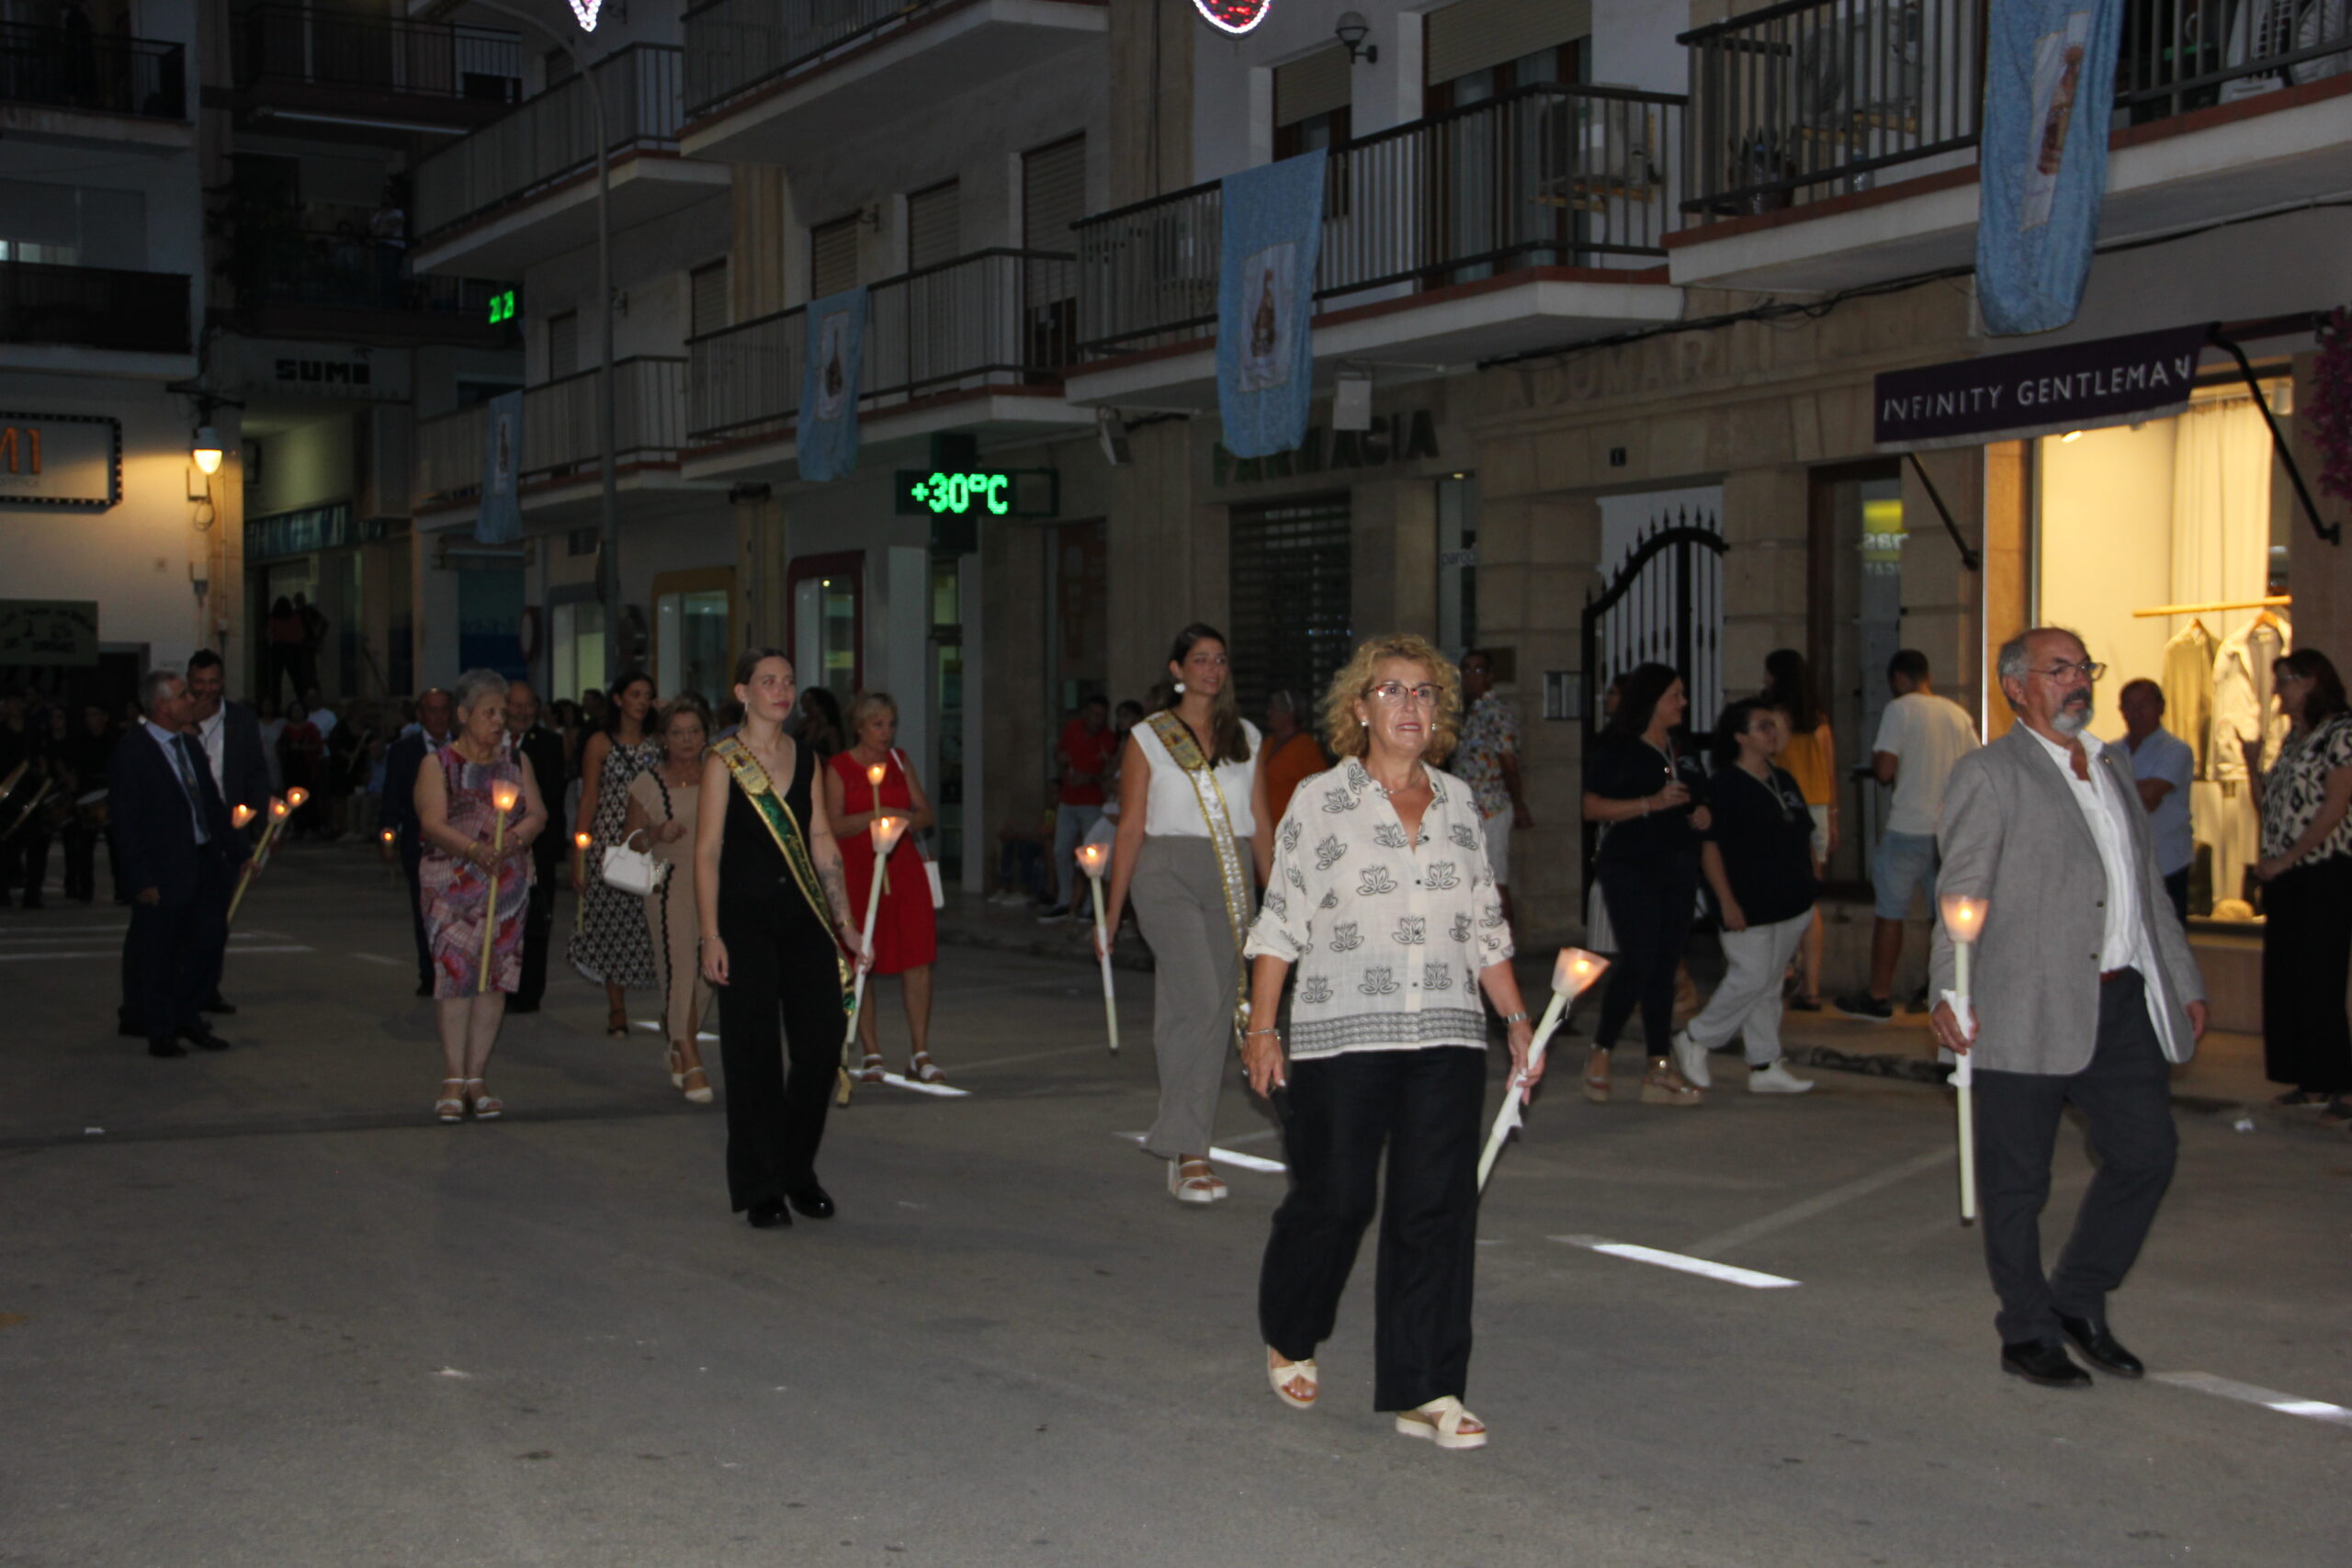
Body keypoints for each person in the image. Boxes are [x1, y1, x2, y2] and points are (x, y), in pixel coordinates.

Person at [1243, 633, 1537, 1450]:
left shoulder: (1457, 803)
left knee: (1437, 1209)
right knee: (1337, 1198)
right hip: (1341, 1034)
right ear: (1361, 707)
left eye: (1424, 693)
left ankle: (1426, 1386)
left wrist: (1516, 1021)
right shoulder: (1319, 800)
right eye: (1393, 690)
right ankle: (1293, 1324)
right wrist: (1263, 1026)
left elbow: (1484, 925)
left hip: (1445, 1031)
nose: (1410, 705)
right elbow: (1281, 919)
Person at [1930, 627, 2206, 1389]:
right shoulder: (1991, 774)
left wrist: (2182, 977)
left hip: (2118, 999)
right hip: (2021, 1001)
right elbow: (1959, 893)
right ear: (2017, 688)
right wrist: (1948, 991)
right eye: (2061, 671)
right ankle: (2025, 1326)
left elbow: (2146, 882)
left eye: (2085, 668)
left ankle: (2079, 1297)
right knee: (2018, 1181)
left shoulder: (2113, 762)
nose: (2078, 682)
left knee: (2147, 1153)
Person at [1096, 625, 1273, 1201]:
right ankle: (1190, 1148)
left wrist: (1281, 902)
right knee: (1199, 997)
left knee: (1204, 1008)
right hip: (1164, 869)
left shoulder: (1246, 735)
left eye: (1220, 660)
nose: (1212, 670)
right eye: (1200, 660)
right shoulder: (1149, 737)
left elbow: (1262, 823)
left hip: (1231, 873)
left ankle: (1183, 1149)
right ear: (1177, 669)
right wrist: (1111, 912)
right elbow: (1129, 825)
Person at [697, 649, 865, 1229]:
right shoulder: (724, 761)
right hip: (743, 922)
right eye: (767, 681)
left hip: (804, 919)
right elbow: (708, 851)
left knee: (820, 1048)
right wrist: (710, 934)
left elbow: (821, 837)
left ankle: (797, 1168)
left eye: (788, 681)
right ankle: (760, 1183)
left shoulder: (810, 759)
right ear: (743, 692)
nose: (781, 690)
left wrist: (844, 920)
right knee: (753, 1057)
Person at [415, 669, 548, 1122]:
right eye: (490, 712)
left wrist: (512, 842)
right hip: (452, 884)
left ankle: (478, 1077)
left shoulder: (516, 761)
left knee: (496, 976)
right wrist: (474, 850)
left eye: (504, 712)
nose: (499, 720)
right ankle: (453, 1076)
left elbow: (537, 814)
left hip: (505, 884)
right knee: (456, 975)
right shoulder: (438, 764)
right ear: (464, 714)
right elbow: (433, 822)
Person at [1579, 663, 1710, 1106]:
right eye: (1676, 695)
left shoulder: (1681, 746)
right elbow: (1592, 807)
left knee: (1666, 963)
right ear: (1653, 699)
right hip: (1631, 864)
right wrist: (1649, 804)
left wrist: (1704, 812)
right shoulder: (1617, 747)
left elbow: (1701, 792)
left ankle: (1658, 1066)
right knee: (1638, 959)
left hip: (1678, 863)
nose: (1683, 703)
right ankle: (1602, 1050)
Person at [1674, 700, 1817, 1096]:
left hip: (1790, 899)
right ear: (1740, 737)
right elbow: (1711, 848)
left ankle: (1765, 1062)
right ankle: (1696, 1037)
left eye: (1772, 725)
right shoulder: (1725, 786)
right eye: (1761, 727)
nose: (1771, 733)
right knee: (1750, 977)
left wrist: (1811, 879)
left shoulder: (1783, 778)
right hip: (1748, 901)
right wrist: (1726, 901)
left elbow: (1801, 830)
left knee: (1769, 983)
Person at [109, 669, 247, 1058]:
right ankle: (160, 1029)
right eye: (184, 695)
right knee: (160, 952)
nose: (193, 700)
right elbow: (126, 822)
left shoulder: (188, 747)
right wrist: (139, 877)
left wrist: (238, 854)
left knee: (208, 942)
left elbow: (213, 808)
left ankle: (189, 1016)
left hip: (203, 864)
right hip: (163, 870)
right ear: (162, 706)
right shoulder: (134, 752)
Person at [1838, 649, 1977, 1021]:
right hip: (1946, 831)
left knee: (1890, 913)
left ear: (1898, 678)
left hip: (1908, 826)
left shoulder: (1899, 710)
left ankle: (1879, 994)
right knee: (1944, 918)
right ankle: (1938, 990)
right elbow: (1975, 768)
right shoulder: (1957, 714)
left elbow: (1884, 769)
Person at [2243, 649, 2352, 1116]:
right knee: (2287, 977)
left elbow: (2335, 807)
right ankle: (2307, 1081)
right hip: (2285, 871)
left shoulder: (2341, 732)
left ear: (2309, 682)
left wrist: (2288, 857)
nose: (2277, 691)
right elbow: (2270, 805)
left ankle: (2340, 1085)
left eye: (2284, 680)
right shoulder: (2294, 738)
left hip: (2323, 870)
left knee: (2319, 978)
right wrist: (2252, 764)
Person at [825, 691, 945, 1084]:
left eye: (890, 724)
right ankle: (872, 1051)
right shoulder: (839, 768)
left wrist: (901, 819)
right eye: (878, 724)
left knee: (917, 957)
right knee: (862, 959)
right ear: (859, 727)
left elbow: (924, 813)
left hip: (903, 868)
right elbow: (833, 824)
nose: (886, 732)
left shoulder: (899, 761)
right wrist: (876, 817)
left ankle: (921, 1051)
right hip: (859, 871)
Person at [621, 694, 718, 1103]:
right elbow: (629, 843)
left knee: (709, 973)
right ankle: (691, 1055)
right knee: (678, 965)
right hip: (667, 879)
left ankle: (677, 1035)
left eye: (694, 731)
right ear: (663, 738)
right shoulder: (648, 783)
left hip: (713, 882)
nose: (687, 740)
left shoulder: (719, 775)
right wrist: (658, 833)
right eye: (677, 732)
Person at [571, 670, 662, 1034]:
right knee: (612, 923)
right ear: (619, 699)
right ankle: (617, 1007)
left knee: (652, 919)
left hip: (650, 836)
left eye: (647, 695)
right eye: (635, 694)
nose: (641, 701)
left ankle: (667, 998)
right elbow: (589, 797)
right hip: (609, 836)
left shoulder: (658, 743)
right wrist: (579, 851)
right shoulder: (600, 743)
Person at [183, 649, 269, 1014]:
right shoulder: (179, 718)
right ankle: (182, 986)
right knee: (184, 914)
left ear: (222, 682)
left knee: (220, 914)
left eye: (212, 683)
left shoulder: (241, 720)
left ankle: (207, 987)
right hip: (186, 829)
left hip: (228, 828)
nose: (205, 691)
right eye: (199, 683)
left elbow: (256, 775)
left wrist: (262, 827)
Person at [1762, 649, 1837, 1010]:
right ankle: (1812, 985)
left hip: (1786, 809)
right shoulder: (1818, 719)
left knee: (1780, 893)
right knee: (1810, 899)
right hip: (1818, 807)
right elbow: (1830, 770)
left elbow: (1768, 763)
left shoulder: (1774, 719)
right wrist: (1834, 816)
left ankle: (1783, 972)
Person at [379, 690, 455, 996]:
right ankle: (429, 972)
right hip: (419, 841)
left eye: (443, 710)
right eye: (431, 711)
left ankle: (454, 967)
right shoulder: (404, 750)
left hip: (458, 841)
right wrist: (387, 833)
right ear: (421, 715)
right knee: (424, 908)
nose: (438, 717)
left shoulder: (465, 747)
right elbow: (393, 794)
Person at [1453, 649, 1533, 926]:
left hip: (1492, 808)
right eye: (1466, 670)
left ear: (1490, 676)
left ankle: (1506, 949)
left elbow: (1507, 760)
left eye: (1477, 670)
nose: (1470, 677)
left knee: (1495, 878)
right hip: (1469, 809)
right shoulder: (1472, 713)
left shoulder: (1496, 712)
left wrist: (1518, 802)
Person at [504, 681, 569, 1015]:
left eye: (529, 705)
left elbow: (551, 795)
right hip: (496, 847)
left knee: (535, 921)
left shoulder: (550, 744)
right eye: (516, 705)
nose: (523, 712)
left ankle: (529, 992)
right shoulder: (491, 742)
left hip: (536, 846)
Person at [2115, 679, 2196, 927]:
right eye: (2129, 706)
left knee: (2168, 944)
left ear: (2161, 707)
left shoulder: (2176, 750)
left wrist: (2116, 791)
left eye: (2143, 705)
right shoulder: (2110, 752)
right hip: (2124, 864)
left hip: (2166, 863)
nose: (2135, 713)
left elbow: (2150, 794)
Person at [1039, 694, 1117, 919]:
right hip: (1068, 798)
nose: (1097, 719)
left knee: (1093, 855)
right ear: (1085, 713)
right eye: (1093, 714)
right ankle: (1064, 899)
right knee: (1061, 850)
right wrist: (1061, 757)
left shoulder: (1108, 739)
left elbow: (1111, 773)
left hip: (1092, 803)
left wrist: (1089, 778)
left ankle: (1092, 905)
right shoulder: (1072, 728)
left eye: (1101, 715)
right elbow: (1059, 751)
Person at [1261, 689, 1326, 819]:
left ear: (1288, 713)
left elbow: (1320, 788)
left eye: (1274, 709)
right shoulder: (1267, 744)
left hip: (1293, 827)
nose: (1269, 713)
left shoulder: (1305, 746)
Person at [265, 597, 304, 706]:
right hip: (293, 649)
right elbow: (300, 634)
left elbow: (268, 634)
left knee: (276, 680)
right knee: (297, 679)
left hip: (278, 649)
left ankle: (276, 705)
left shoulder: (273, 618)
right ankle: (302, 703)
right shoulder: (295, 617)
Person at [793, 686, 845, 761]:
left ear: (822, 706)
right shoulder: (803, 724)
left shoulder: (831, 731)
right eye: (803, 700)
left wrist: (815, 756)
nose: (805, 705)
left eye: (810, 702)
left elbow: (837, 760)